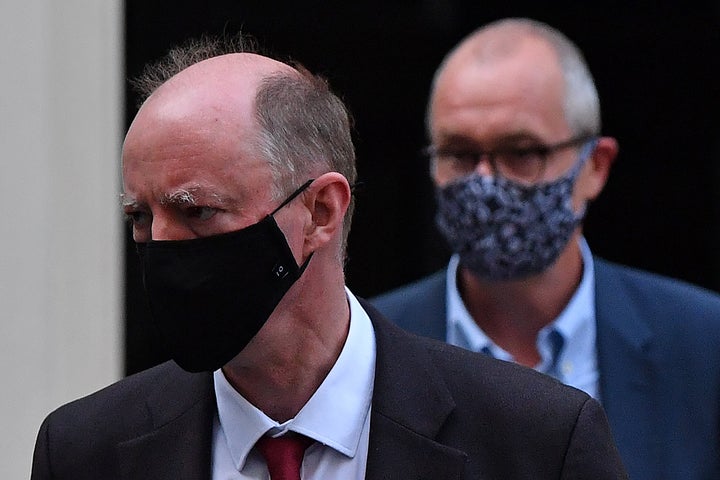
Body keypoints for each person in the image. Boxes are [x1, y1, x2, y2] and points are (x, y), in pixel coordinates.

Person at [30, 35, 627, 479]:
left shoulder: (538, 442)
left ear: (320, 211)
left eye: (197, 212)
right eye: (140, 218)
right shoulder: (86, 451)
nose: (161, 246)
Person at [370, 17, 720, 480]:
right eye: (458, 153)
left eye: (521, 152)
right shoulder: (369, 348)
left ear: (595, 166)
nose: (485, 182)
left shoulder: (703, 344)